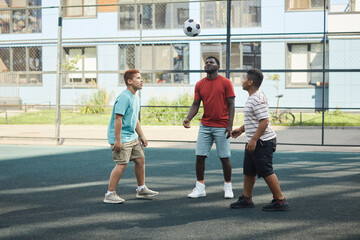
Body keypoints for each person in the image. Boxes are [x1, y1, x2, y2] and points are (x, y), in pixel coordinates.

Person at [230, 68, 289, 211]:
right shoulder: (253, 98)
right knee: (249, 170)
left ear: (250, 82)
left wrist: (254, 140)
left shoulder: (256, 98)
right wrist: (241, 129)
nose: (242, 81)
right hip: (253, 141)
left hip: (262, 142)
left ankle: (280, 201)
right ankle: (246, 198)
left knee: (266, 170)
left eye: (244, 78)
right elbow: (254, 120)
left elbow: (264, 121)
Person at [183, 56, 235, 199]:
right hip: (205, 126)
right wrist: (188, 118)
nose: (208, 64)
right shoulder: (200, 84)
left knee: (224, 157)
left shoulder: (226, 83)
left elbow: (231, 104)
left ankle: (228, 187)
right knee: (200, 156)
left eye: (211, 62)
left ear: (218, 66)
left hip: (222, 126)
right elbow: (195, 104)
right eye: (206, 63)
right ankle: (200, 188)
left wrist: (230, 125)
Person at [103, 69, 158, 204]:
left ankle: (141, 189)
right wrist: (117, 140)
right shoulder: (124, 97)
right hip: (122, 138)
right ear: (129, 81)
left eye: (141, 78)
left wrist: (142, 135)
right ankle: (110, 194)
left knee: (140, 160)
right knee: (121, 165)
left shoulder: (136, 98)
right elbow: (118, 119)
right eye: (138, 78)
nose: (142, 80)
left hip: (132, 137)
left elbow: (135, 119)